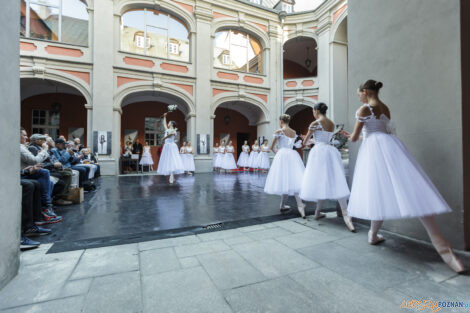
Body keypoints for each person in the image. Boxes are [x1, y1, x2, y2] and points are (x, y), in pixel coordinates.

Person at [341, 79, 465, 273]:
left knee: (377, 192)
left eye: (359, 94)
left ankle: (374, 234)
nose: (359, 97)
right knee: (409, 189)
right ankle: (441, 246)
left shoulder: (363, 110)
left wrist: (348, 135)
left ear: (365, 92)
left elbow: (356, 138)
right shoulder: (385, 108)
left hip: (374, 152)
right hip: (391, 148)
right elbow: (380, 130)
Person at [299, 103, 354, 232]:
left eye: (313, 110)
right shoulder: (331, 123)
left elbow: (305, 142)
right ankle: (343, 214)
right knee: (335, 179)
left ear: (316, 111)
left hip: (319, 153)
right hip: (330, 151)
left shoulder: (315, 123)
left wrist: (307, 140)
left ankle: (320, 212)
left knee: (319, 180)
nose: (313, 113)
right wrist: (314, 140)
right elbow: (325, 139)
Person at [264, 114, 306, 218]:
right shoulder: (293, 132)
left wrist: (276, 153)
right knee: (292, 179)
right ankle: (286, 205)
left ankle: (300, 205)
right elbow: (292, 145)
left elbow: (272, 147)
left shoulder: (279, 131)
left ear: (281, 121)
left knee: (285, 179)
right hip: (292, 155)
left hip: (282, 155)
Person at [20, 128, 62, 223]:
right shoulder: (32, 148)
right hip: (29, 172)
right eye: (45, 140)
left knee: (59, 175)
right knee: (45, 174)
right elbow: (36, 161)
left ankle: (46, 207)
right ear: (37, 141)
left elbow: (55, 160)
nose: (47, 142)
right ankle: (46, 208)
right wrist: (45, 150)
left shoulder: (51, 149)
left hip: (30, 171)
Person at [156, 113, 185, 183]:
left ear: (172, 124)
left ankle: (172, 176)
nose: (168, 123)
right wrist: (165, 117)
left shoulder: (174, 130)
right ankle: (170, 175)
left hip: (171, 146)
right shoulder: (167, 130)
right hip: (166, 146)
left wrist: (164, 138)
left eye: (169, 123)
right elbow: (164, 124)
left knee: (172, 159)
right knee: (167, 160)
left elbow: (171, 134)